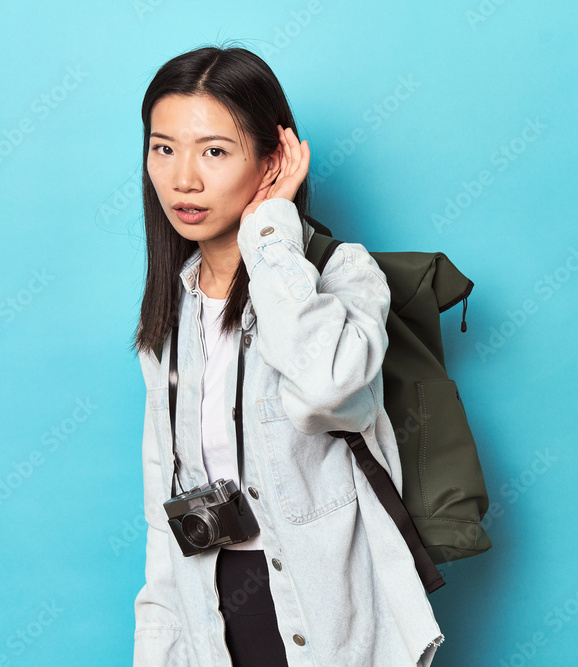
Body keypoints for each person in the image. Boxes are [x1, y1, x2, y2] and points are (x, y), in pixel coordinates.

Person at [130, 45, 444, 666]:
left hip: (327, 608)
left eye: (214, 151)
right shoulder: (173, 309)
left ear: (275, 158)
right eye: (164, 148)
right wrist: (159, 646)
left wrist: (270, 231)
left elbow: (331, 391)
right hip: (211, 611)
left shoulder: (341, 274)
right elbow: (161, 509)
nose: (183, 179)